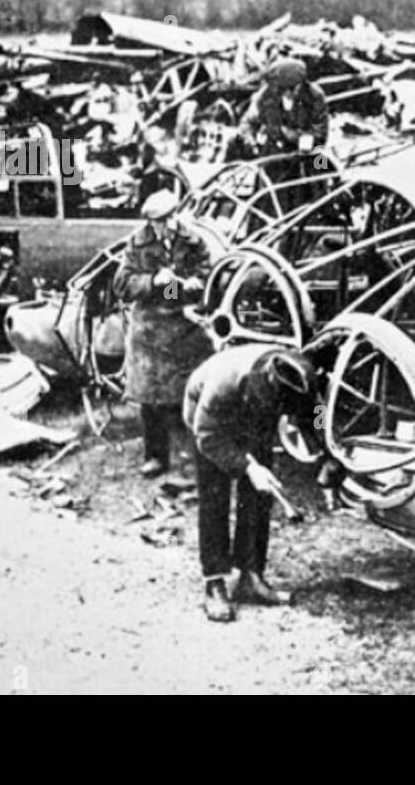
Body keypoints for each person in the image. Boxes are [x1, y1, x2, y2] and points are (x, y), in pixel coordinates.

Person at [182, 344, 321, 621]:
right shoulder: (224, 382)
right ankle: (215, 583)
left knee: (260, 492)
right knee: (214, 497)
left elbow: (314, 418)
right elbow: (207, 435)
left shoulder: (301, 379)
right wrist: (246, 465)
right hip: (210, 423)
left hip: (251, 416)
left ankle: (251, 577)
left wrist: (324, 453)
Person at [112, 190, 215, 478]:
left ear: (175, 216)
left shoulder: (194, 240)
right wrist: (153, 280)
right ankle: (155, 456)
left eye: (166, 220)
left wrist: (198, 281)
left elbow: (209, 271)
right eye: (156, 222)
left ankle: (189, 456)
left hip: (185, 325)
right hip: (151, 329)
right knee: (151, 399)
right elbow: (122, 284)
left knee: (187, 393)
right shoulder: (137, 242)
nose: (161, 227)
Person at [237, 57, 329, 156]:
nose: (290, 92)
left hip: (306, 149)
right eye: (283, 89)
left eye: (295, 88)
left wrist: (293, 135)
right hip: (275, 147)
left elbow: (320, 133)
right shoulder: (265, 96)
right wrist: (250, 142)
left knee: (320, 162)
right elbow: (248, 122)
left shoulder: (314, 96)